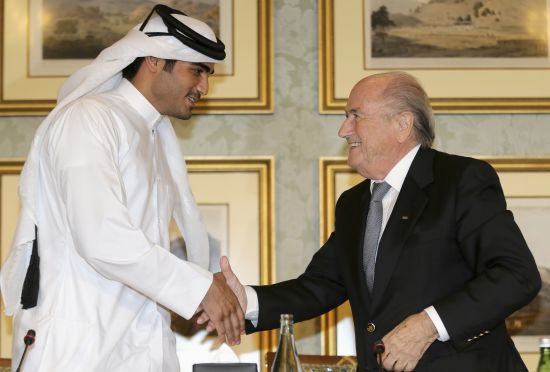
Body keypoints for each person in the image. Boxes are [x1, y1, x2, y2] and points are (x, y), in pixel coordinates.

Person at [203, 72, 542, 372]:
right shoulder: (354, 204)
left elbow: (517, 275)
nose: (343, 129)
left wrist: (428, 324)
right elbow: (321, 286)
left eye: (355, 116)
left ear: (402, 124)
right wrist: (247, 301)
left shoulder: (460, 180)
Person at [0, 5, 244, 371]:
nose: (204, 87)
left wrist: (194, 295)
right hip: (76, 348)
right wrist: (200, 288)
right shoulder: (90, 119)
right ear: (153, 60)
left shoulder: (152, 133)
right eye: (197, 71)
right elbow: (102, 237)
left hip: (139, 348)